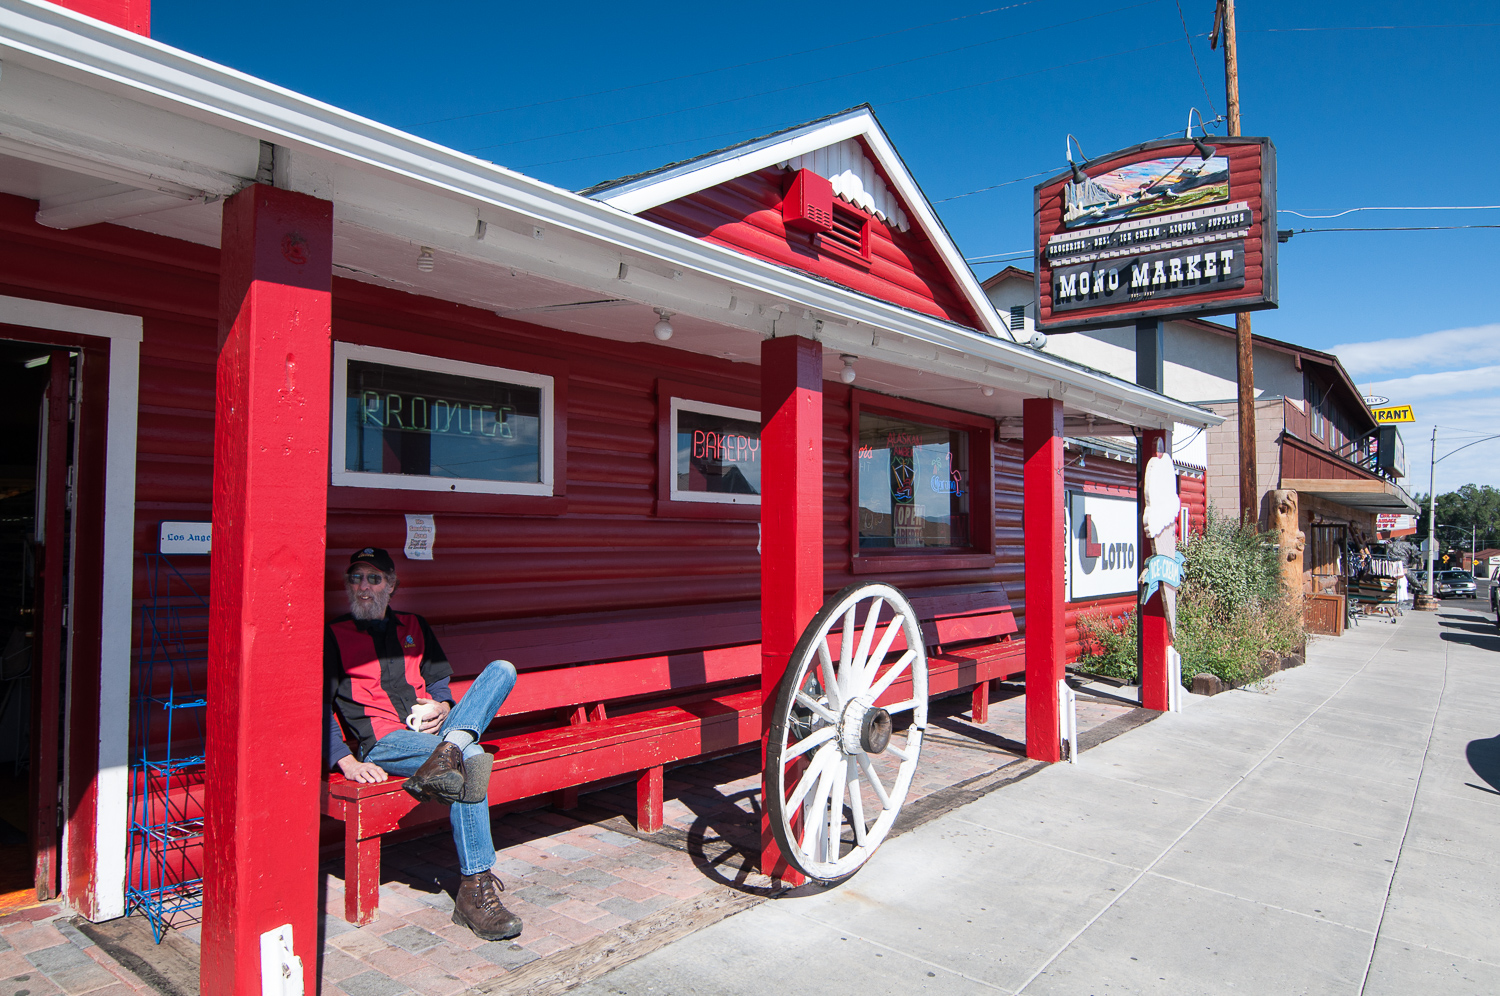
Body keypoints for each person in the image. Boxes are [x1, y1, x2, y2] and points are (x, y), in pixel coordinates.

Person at [325, 546, 523, 941]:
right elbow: (317, 705)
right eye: (356, 578)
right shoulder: (334, 636)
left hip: (430, 732)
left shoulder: (414, 625)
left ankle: (448, 748)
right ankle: (474, 888)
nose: (364, 587)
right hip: (384, 741)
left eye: (374, 578)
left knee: (503, 669)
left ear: (392, 585)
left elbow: (438, 685)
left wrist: (443, 705)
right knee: (471, 758)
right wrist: (344, 760)